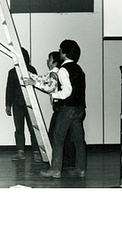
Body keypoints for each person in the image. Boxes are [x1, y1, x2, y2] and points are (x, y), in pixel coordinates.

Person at [39, 40, 86, 178]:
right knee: (78, 140)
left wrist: (54, 95)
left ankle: (55, 170)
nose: (59, 52)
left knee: (58, 138)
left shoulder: (63, 70)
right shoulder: (79, 69)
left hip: (68, 109)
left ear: (64, 53)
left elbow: (67, 92)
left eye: (60, 50)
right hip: (79, 109)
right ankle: (80, 169)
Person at [24, 51, 76, 168]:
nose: (47, 61)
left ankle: (61, 162)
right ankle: (67, 161)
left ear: (54, 62)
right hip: (59, 108)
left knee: (55, 134)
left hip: (60, 108)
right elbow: (40, 78)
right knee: (63, 135)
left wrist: (34, 83)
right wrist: (28, 73)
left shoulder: (55, 74)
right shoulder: (53, 72)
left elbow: (50, 87)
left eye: (49, 59)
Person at [5, 47, 41, 162]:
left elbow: (37, 83)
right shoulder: (12, 72)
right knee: (19, 128)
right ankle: (20, 151)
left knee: (33, 128)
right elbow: (9, 89)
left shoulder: (31, 70)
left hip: (30, 103)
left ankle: (37, 152)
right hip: (17, 104)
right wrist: (8, 104)